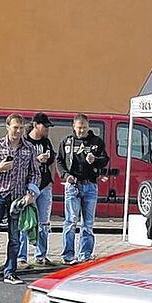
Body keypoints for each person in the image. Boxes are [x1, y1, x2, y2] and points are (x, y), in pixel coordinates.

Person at [0, 113, 40, 285]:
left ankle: (10, 272)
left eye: (21, 128)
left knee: (15, 237)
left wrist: (31, 193)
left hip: (17, 198)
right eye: (15, 128)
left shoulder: (29, 148)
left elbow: (35, 173)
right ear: (7, 127)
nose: (18, 131)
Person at [56, 113, 109, 265]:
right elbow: (59, 160)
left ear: (88, 127)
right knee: (71, 220)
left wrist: (95, 160)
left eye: (84, 128)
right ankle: (68, 255)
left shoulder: (96, 142)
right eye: (79, 128)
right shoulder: (66, 142)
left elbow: (105, 160)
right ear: (74, 126)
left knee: (88, 223)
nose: (81, 131)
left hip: (90, 185)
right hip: (73, 185)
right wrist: (65, 176)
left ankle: (85, 254)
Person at [17, 112, 56, 268]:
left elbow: (53, 160)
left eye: (48, 126)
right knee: (25, 221)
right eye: (45, 126)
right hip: (27, 187)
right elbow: (19, 163)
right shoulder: (25, 142)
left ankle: (41, 255)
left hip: (44, 186)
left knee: (44, 223)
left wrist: (51, 180)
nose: (47, 129)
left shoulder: (46, 142)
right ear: (35, 125)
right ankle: (21, 257)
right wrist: (37, 160)